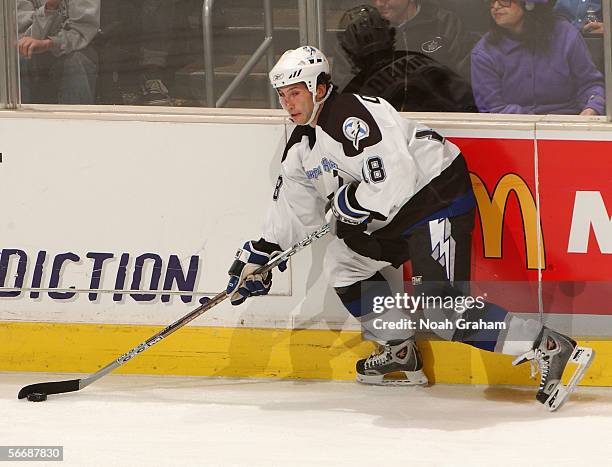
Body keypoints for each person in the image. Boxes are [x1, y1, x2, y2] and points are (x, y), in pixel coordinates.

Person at [224, 45, 595, 410]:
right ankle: (399, 349)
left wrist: (352, 203)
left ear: (320, 88)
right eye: (283, 95)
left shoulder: (351, 116)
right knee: (344, 266)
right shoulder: (302, 146)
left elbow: (397, 178)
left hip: (433, 197)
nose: (289, 104)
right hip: (391, 215)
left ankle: (547, 345)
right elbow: (294, 209)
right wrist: (262, 254)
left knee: (442, 311)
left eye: (296, 93)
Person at [471, 0, 605, 115]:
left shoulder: (566, 35)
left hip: (569, 125)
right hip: (514, 132)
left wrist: (592, 107)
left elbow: (591, 84)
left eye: (505, 0)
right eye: (492, 0)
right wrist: (538, 125)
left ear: (529, 4)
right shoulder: (483, 52)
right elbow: (493, 109)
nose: (496, 6)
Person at [338, 4, 476, 112]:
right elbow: (345, 86)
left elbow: (465, 80)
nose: (380, 3)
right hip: (383, 124)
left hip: (438, 120)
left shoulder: (445, 23)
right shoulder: (361, 30)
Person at [17, 0, 100, 104]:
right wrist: (50, 7)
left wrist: (50, 43)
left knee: (76, 62)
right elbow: (22, 33)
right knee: (15, 61)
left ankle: (75, 118)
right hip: (31, 52)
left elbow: (81, 31)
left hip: (76, 49)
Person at [372, 0, 474, 77]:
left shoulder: (445, 22)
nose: (379, 4)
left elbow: (465, 72)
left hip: (441, 100)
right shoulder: (372, 30)